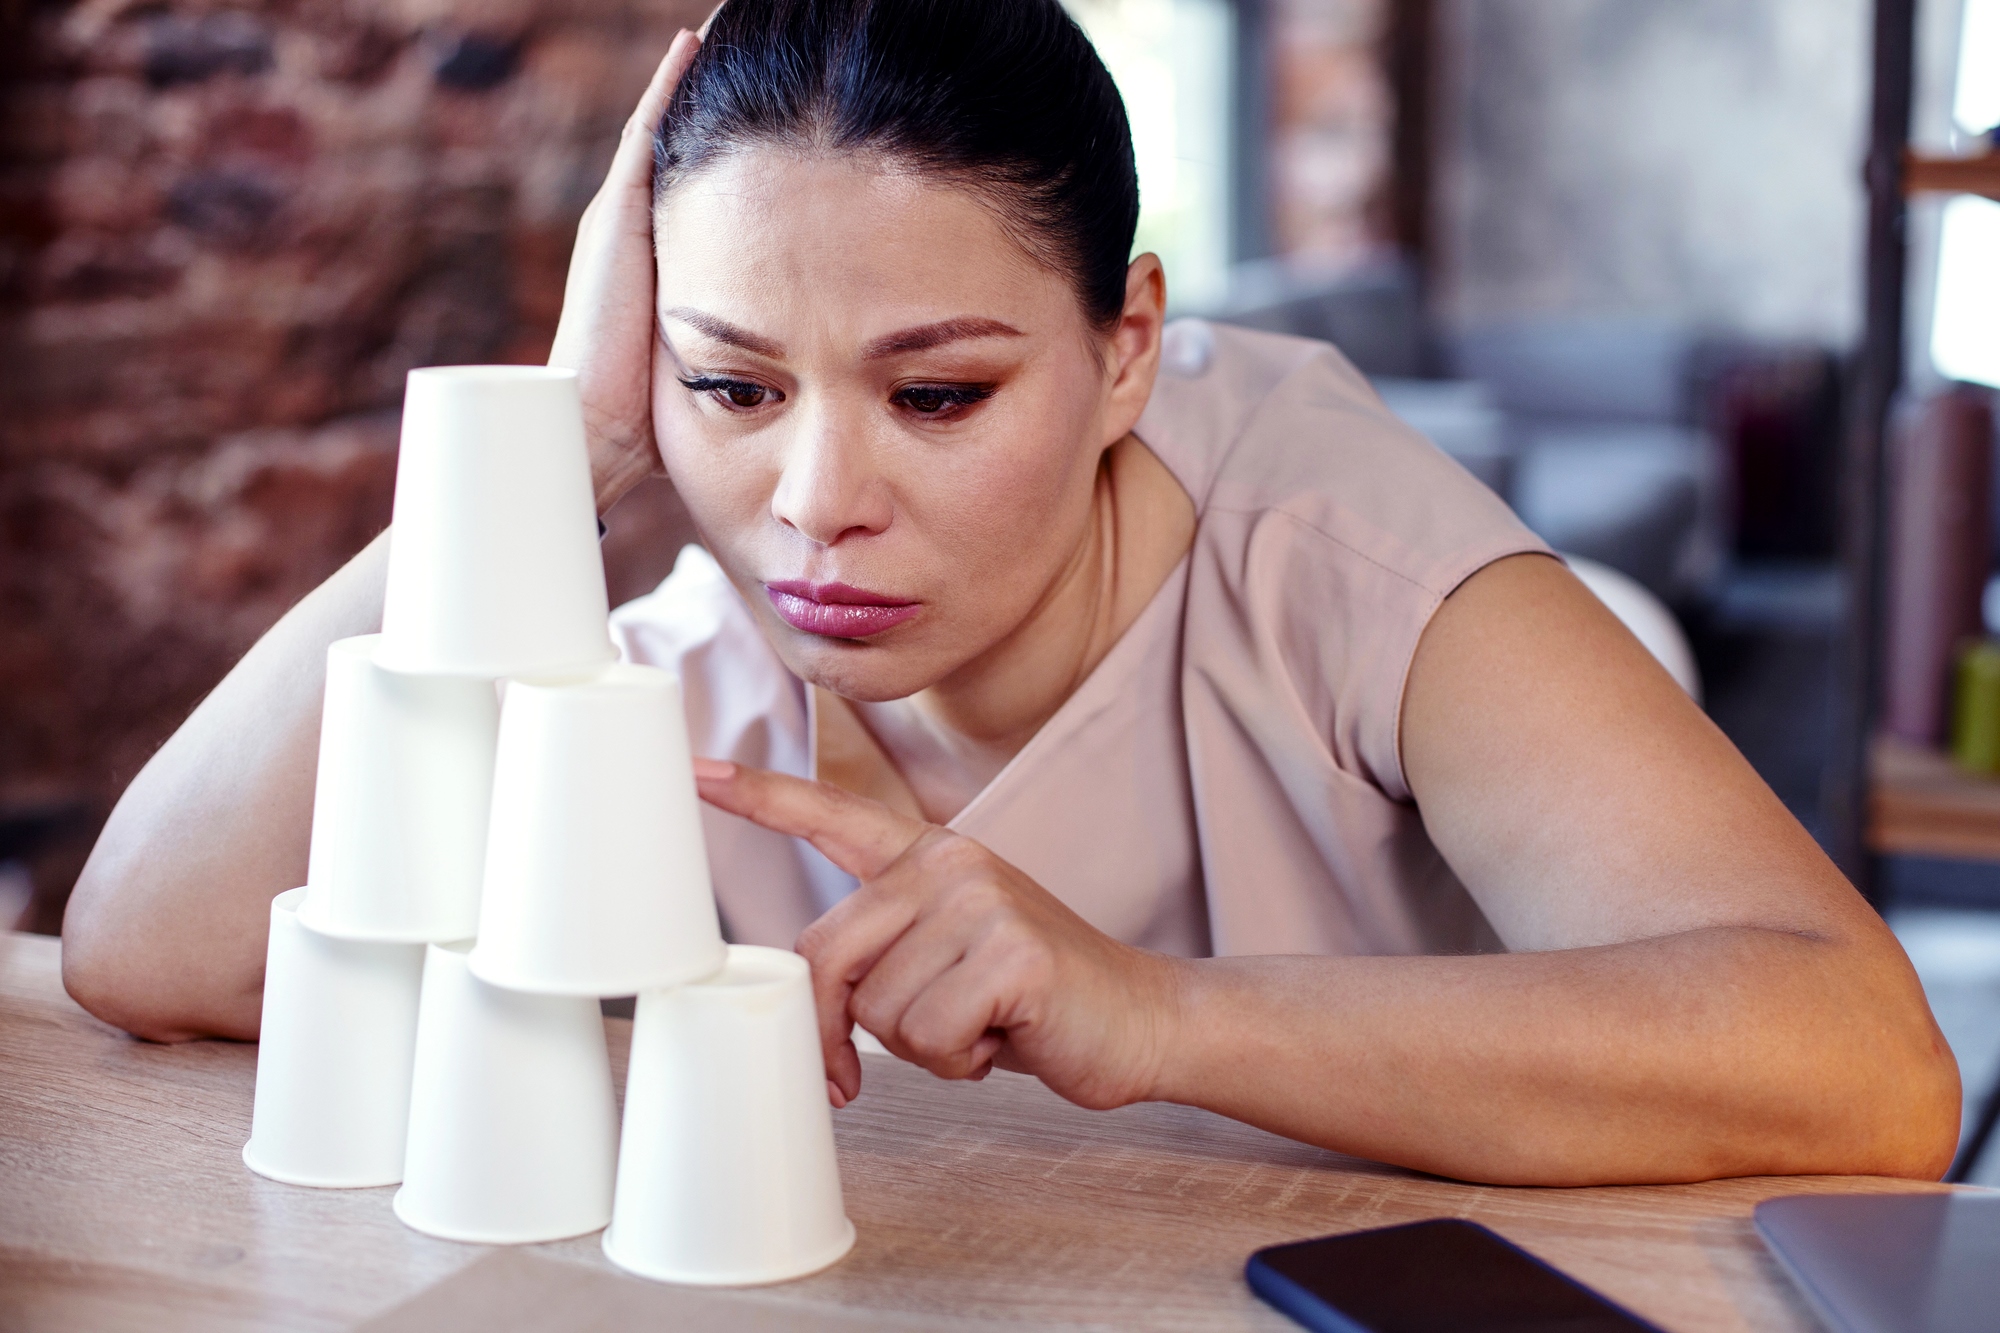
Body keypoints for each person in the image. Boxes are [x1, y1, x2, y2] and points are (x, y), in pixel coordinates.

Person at [62, 0, 1958, 1188]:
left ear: (1128, 344)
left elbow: (1862, 1062)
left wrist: (1160, 1018)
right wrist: (554, 449)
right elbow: (147, 947)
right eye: (731, 384)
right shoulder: (657, 656)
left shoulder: (1330, 533)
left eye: (939, 393)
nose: (813, 508)